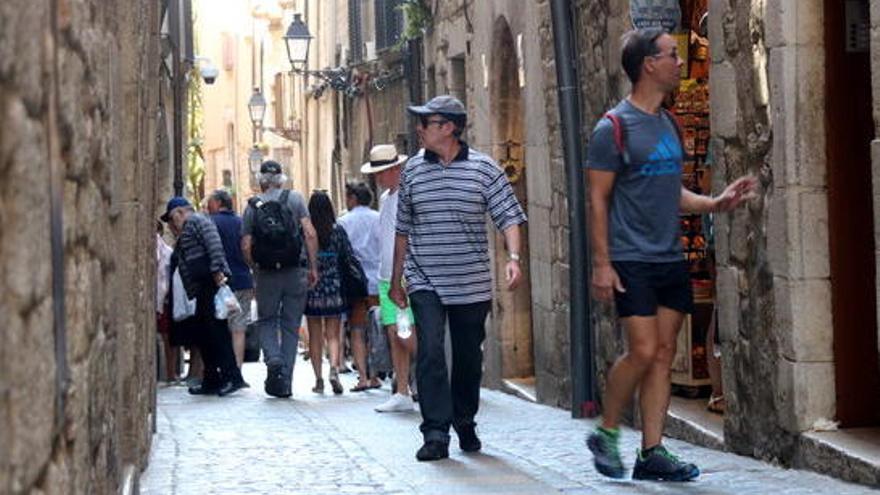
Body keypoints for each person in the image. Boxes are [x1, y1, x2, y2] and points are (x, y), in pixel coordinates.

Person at [585, 27, 757, 482]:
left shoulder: (669, 123)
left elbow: (672, 192)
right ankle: (605, 433)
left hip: (669, 257)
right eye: (671, 56)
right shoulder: (613, 128)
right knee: (641, 350)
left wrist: (715, 203)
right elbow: (597, 199)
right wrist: (602, 264)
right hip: (630, 258)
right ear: (649, 65)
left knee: (662, 355)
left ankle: (651, 452)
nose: (680, 63)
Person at [389, 95, 528, 461]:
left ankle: (464, 420)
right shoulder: (413, 172)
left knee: (468, 357)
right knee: (431, 351)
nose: (419, 130)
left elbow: (509, 216)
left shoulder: (484, 169)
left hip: (471, 282)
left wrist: (514, 258)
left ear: (449, 128)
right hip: (425, 279)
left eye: (427, 123)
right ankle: (435, 432)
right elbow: (402, 230)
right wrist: (395, 281)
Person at [242, 160, 319, 398]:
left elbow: (245, 245)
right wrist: (313, 266)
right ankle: (285, 381)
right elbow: (310, 233)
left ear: (261, 180)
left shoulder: (252, 207)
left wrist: (254, 267)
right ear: (281, 179)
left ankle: (273, 359)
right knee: (290, 325)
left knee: (266, 320)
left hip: (266, 273)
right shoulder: (294, 199)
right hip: (295, 270)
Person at [161, 196, 245, 397]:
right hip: (202, 286)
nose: (172, 225)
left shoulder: (198, 221)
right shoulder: (188, 228)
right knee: (204, 333)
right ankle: (211, 379)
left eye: (173, 219)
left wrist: (217, 272)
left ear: (181, 213)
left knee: (217, 332)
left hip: (211, 282)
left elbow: (213, 243)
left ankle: (232, 377)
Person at [360, 144, 417, 413]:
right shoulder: (385, 199)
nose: (379, 178)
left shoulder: (407, 196)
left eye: (382, 172)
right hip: (385, 276)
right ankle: (402, 390)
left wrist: (401, 275)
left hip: (401, 277)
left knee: (404, 333)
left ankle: (431, 374)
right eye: (376, 173)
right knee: (393, 333)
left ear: (396, 168)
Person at [304, 191, 358, 396]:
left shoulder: (307, 231)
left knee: (315, 336)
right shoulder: (337, 230)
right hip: (334, 285)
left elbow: (302, 257)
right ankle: (334, 369)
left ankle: (318, 379)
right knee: (333, 334)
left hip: (313, 286)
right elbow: (347, 255)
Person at [337, 182, 382, 392]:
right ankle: (376, 375)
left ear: (353, 198)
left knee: (357, 330)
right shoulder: (379, 218)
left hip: (355, 284)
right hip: (378, 280)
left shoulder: (343, 222)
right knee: (379, 329)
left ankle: (363, 377)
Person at [207, 189, 254, 370]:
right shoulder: (241, 223)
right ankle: (237, 370)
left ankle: (222, 369)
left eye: (210, 203)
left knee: (219, 327)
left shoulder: (211, 223)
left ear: (218, 203)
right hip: (243, 280)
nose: (207, 206)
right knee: (239, 328)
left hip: (220, 283)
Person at [155, 220, 179, 383]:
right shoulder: (167, 250)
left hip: (163, 299)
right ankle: (171, 373)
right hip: (165, 298)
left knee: (168, 338)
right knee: (169, 338)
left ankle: (171, 373)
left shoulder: (163, 250)